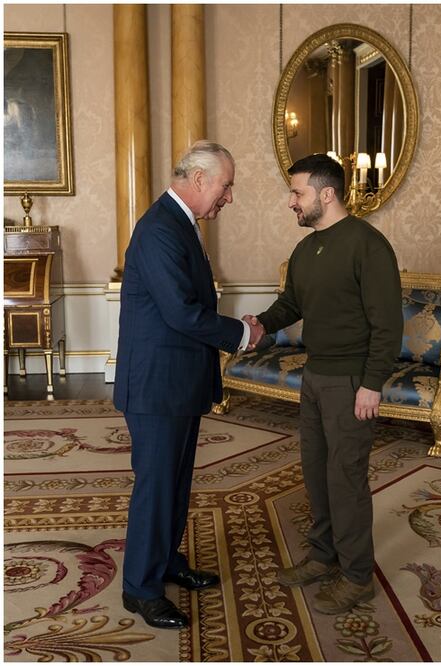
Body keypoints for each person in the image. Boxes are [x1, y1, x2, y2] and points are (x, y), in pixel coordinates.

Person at [115, 141, 264, 629]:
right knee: (157, 487)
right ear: (199, 180)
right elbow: (181, 312)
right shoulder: (160, 228)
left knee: (176, 485)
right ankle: (140, 589)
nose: (229, 196)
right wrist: (241, 334)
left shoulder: (181, 223)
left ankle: (166, 561)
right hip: (158, 387)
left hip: (177, 382)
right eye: (226, 185)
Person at [246, 154, 403, 614]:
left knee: (345, 477)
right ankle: (323, 555)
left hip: (352, 380)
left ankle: (357, 576)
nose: (290, 202)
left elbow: (387, 324)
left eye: (298, 193)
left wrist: (372, 383)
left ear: (327, 193)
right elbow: (290, 303)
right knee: (316, 471)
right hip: (315, 376)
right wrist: (258, 325)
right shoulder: (306, 249)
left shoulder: (368, 245)